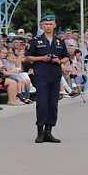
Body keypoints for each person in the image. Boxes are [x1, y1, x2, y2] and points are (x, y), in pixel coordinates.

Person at [25, 14, 69, 143]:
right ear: (42, 26)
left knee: (53, 104)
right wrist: (41, 58)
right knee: (42, 104)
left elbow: (66, 57)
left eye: (51, 24)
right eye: (46, 24)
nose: (48, 26)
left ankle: (48, 132)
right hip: (42, 75)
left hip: (55, 75)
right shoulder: (36, 41)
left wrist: (60, 61)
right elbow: (28, 57)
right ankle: (40, 132)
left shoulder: (59, 42)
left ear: (55, 25)